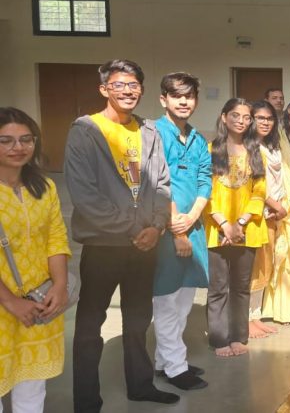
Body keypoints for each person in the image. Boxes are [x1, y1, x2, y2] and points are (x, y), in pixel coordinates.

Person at [66, 59, 176, 410]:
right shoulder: (86, 130)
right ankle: (86, 400)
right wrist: (135, 229)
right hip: (104, 244)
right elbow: (85, 195)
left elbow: (162, 185)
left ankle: (141, 385)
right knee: (90, 325)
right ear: (104, 89)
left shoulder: (148, 131)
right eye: (119, 85)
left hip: (145, 245)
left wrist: (157, 227)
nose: (128, 91)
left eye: (134, 85)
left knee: (139, 319)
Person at [0, 108, 72, 413]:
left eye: (25, 139)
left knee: (32, 385)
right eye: (6, 140)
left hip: (38, 300)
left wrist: (59, 285)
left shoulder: (44, 187)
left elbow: (56, 237)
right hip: (6, 304)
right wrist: (11, 302)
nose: (18, 147)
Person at [151, 73, 211, 391]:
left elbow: (204, 179)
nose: (184, 101)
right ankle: (176, 367)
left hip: (193, 226)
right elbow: (157, 182)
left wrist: (192, 218)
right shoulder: (154, 134)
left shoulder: (197, 138)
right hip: (166, 230)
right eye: (177, 96)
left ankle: (166, 362)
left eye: (189, 96)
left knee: (185, 300)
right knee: (166, 301)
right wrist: (177, 228)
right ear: (164, 99)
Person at [205, 98, 267, 358]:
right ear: (224, 117)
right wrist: (223, 223)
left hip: (247, 228)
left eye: (246, 117)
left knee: (241, 287)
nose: (241, 121)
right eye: (235, 115)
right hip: (216, 229)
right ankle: (219, 339)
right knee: (218, 288)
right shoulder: (210, 150)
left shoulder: (256, 151)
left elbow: (260, 192)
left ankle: (239, 336)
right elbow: (204, 191)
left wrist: (240, 222)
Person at [250, 101, 290, 328]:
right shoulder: (248, 146)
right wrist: (274, 205)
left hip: (284, 206)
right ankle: (251, 317)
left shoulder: (274, 145)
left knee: (278, 259)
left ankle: (267, 312)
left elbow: (285, 175)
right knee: (259, 263)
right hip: (260, 210)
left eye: (269, 119)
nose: (265, 123)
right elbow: (254, 182)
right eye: (260, 118)